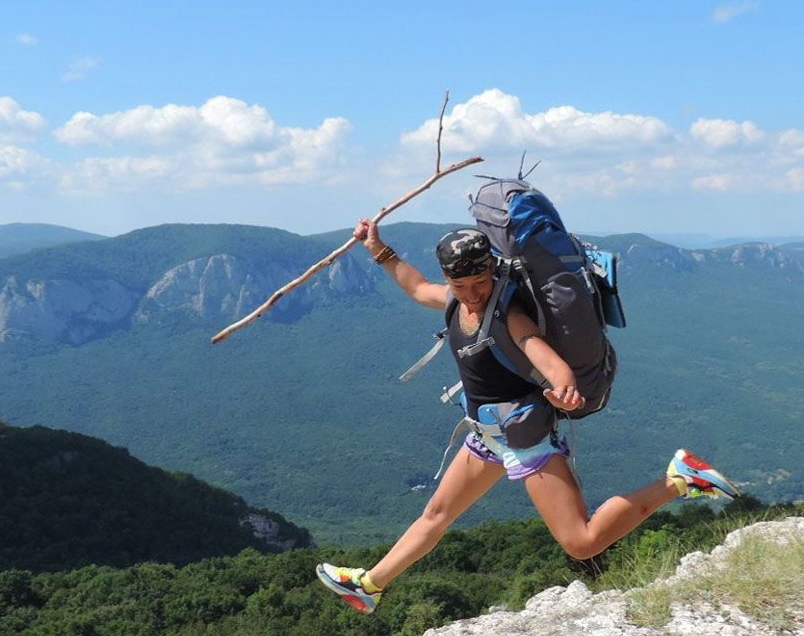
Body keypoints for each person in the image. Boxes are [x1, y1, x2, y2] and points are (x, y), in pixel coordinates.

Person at [315, 219, 740, 614]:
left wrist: (566, 386)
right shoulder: (452, 301)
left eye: (479, 281)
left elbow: (541, 353)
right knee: (436, 516)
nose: (472, 293)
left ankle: (681, 478)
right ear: (449, 279)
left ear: (493, 271)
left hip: (526, 439)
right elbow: (416, 286)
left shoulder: (507, 314)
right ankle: (368, 587)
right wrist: (378, 248)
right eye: (460, 284)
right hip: (486, 436)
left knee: (582, 542)